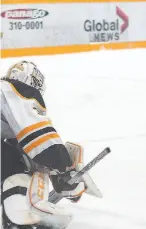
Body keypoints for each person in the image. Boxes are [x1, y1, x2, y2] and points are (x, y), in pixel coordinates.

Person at [1, 61, 102, 229]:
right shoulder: (15, 90)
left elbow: (26, 149)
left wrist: (57, 174)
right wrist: (64, 166)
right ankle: (19, 221)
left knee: (9, 157)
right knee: (13, 166)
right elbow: (42, 142)